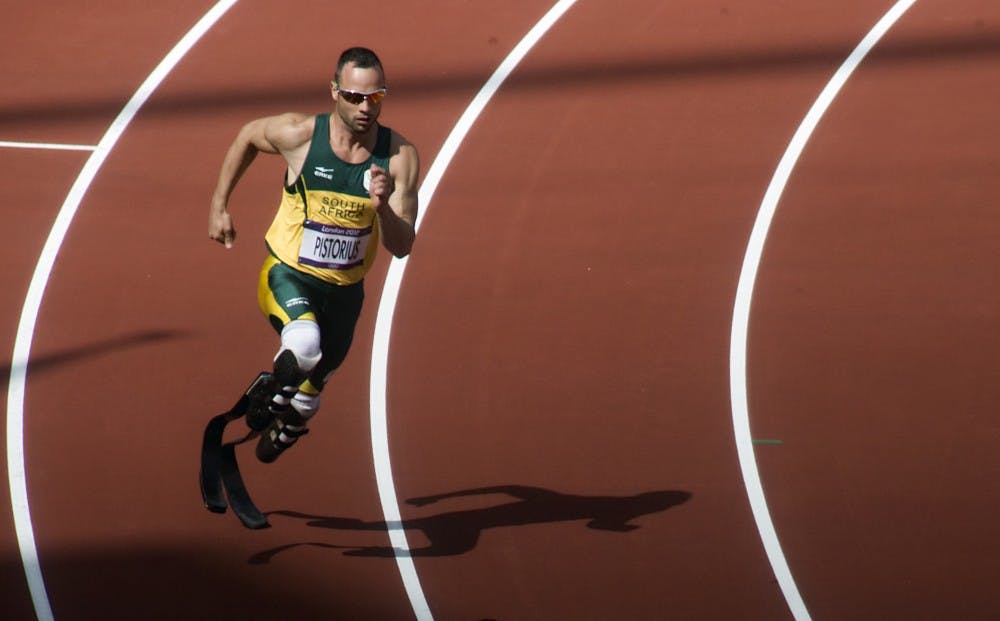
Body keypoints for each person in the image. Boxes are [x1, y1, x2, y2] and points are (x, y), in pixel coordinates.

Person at [207, 47, 418, 463]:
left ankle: (289, 418)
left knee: (308, 401)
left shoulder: (399, 159)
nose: (364, 107)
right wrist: (219, 204)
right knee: (304, 345)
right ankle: (268, 393)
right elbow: (248, 135)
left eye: (374, 97)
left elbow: (402, 246)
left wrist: (382, 209)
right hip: (290, 275)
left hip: (345, 295)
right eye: (355, 97)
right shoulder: (300, 135)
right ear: (335, 92)